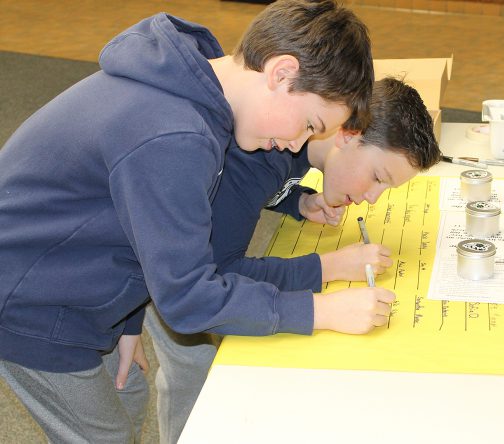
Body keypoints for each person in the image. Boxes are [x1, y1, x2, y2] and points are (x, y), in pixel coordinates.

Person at [0, 1, 383, 442]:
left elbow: (134, 217)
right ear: (281, 73)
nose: (295, 144)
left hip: (77, 277)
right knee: (103, 436)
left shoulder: (196, 90)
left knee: (129, 394)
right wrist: (320, 310)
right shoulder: (176, 134)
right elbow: (187, 298)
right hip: (31, 306)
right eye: (309, 124)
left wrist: (125, 322)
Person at [142, 76, 441, 441]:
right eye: (378, 177)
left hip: (165, 259)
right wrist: (327, 269)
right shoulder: (266, 151)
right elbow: (219, 276)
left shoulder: (296, 146)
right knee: (197, 371)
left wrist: (297, 200)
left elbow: (251, 193)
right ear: (349, 134)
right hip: (165, 277)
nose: (374, 197)